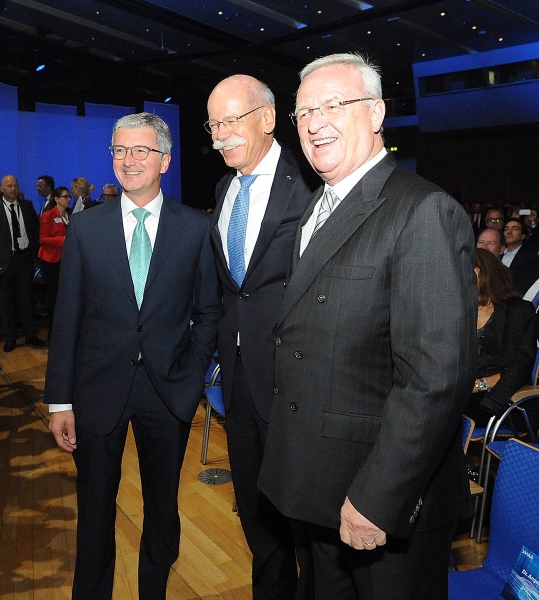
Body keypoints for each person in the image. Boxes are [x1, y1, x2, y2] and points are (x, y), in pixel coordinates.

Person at [259, 53, 476, 600]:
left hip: (381, 502)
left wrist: (378, 497)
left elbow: (435, 379)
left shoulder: (422, 210)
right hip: (316, 487)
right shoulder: (317, 208)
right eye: (302, 111)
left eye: (333, 104)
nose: (313, 122)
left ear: (377, 112)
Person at [45, 112, 220, 599]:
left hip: (169, 392)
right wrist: (59, 400)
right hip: (97, 390)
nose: (128, 160)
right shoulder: (86, 228)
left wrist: (190, 377)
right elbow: (67, 319)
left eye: (141, 150)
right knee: (95, 508)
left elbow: (209, 313)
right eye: (119, 150)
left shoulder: (194, 228)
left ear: (164, 159)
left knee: (162, 509)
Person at [205, 73, 313, 599]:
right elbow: (235, 293)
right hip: (239, 383)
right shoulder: (225, 188)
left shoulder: (313, 185)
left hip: (296, 381)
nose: (220, 135)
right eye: (213, 125)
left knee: (306, 515)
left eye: (231, 121)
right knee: (253, 505)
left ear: (268, 119)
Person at [465, 249, 536, 425]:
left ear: (485, 272)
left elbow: (520, 365)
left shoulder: (518, 311)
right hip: (458, 392)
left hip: (496, 398)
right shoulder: (461, 308)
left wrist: (480, 385)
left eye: (467, 270)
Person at [0, 174, 45, 352]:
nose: (13, 189)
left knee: (26, 298)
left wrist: (37, 256)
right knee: (6, 301)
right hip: (6, 260)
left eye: (15, 186)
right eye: (9, 186)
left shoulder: (26, 206)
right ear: (2, 189)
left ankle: (31, 334)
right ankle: (10, 337)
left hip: (25, 258)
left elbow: (34, 231)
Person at [38, 186, 71, 341]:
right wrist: (63, 240)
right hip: (51, 260)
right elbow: (43, 239)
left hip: (66, 261)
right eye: (64, 196)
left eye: (69, 196)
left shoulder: (70, 215)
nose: (68, 199)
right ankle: (52, 333)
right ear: (56, 199)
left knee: (65, 296)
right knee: (53, 296)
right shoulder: (48, 216)